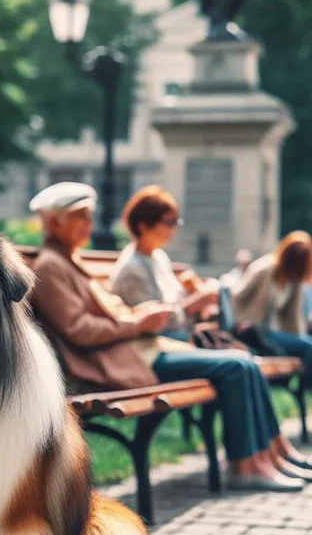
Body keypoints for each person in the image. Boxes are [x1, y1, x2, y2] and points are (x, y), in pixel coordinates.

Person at [29, 181, 307, 492]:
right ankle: (245, 466)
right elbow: (79, 330)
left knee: (244, 363)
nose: (90, 223)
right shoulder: (52, 267)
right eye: (81, 216)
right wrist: (139, 323)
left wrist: (140, 316)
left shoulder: (69, 260)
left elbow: (113, 313)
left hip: (142, 350)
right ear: (55, 222)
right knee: (237, 366)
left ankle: (264, 457)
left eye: (89, 215)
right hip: (127, 359)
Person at [108, 185, 218, 339]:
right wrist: (193, 305)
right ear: (144, 226)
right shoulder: (132, 269)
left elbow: (175, 302)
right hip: (153, 345)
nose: (173, 229)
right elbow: (154, 323)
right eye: (169, 222)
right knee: (238, 362)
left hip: (176, 337)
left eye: (175, 222)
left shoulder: (158, 256)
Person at [231, 231, 312, 380]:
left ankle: (300, 388)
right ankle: (303, 390)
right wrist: (240, 323)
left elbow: (293, 316)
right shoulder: (265, 269)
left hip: (272, 332)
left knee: (307, 345)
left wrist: (299, 337)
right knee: (309, 346)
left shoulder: (293, 279)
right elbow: (236, 296)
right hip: (254, 332)